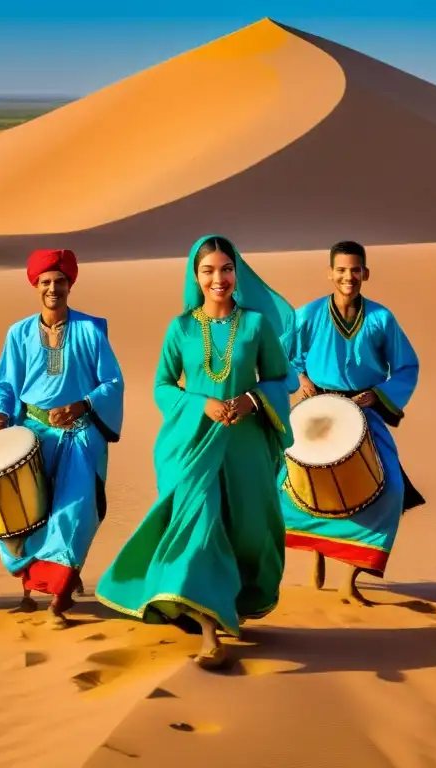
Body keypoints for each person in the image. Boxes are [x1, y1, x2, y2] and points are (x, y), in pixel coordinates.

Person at [95, 234, 295, 670]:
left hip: (245, 447)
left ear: (236, 273)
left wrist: (253, 399)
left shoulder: (258, 325)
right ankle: (208, 633)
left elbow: (284, 380)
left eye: (225, 269)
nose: (218, 279)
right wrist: (199, 402)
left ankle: (225, 605)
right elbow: (162, 386)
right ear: (195, 276)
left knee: (246, 531)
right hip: (190, 445)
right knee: (200, 528)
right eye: (208, 271)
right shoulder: (181, 328)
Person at [0, 248, 124, 628]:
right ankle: (31, 589)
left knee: (73, 513)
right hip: (31, 433)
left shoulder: (90, 331)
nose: (53, 288)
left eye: (60, 281)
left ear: (70, 284)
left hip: (79, 435)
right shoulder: (18, 333)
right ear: (35, 286)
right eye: (45, 282)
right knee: (24, 513)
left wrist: (82, 406)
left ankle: (58, 600)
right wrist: (0, 412)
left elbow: (112, 382)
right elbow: (3, 383)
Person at [282, 240, 423, 602]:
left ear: (366, 273)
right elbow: (284, 355)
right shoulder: (307, 315)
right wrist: (301, 378)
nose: (349, 277)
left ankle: (350, 578)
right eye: (341, 270)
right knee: (287, 488)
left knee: (390, 490)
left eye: (355, 270)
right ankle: (317, 550)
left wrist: (378, 394)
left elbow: (406, 366)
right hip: (318, 410)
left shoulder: (381, 319)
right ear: (330, 273)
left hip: (364, 413)